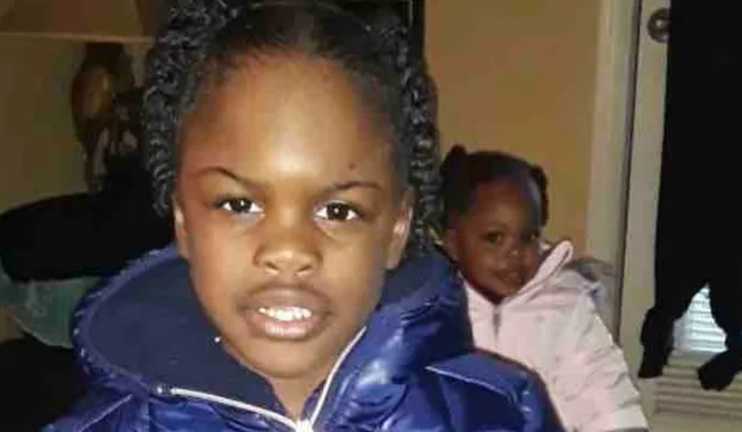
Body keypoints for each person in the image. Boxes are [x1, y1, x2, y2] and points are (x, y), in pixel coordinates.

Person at [44, 2, 562, 431]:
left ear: (396, 228)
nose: (289, 251)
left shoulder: (499, 413)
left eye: (338, 210)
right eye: (239, 204)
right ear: (183, 219)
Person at [440, 145, 648, 432]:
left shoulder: (565, 306)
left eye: (529, 237)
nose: (516, 253)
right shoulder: (432, 308)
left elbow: (602, 392)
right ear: (453, 243)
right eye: (494, 238)